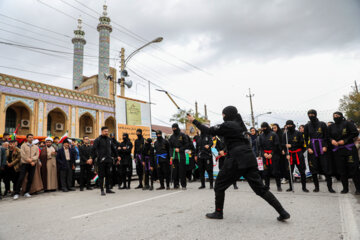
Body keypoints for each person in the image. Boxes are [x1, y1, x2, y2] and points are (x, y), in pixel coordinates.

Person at [187, 106, 290, 221]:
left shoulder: (229, 125)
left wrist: (194, 121)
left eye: (223, 115)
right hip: (249, 159)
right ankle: (283, 212)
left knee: (219, 185)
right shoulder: (240, 124)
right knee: (261, 189)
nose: (223, 117)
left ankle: (218, 212)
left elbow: (209, 130)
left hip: (236, 160)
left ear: (227, 115)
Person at [328, 112, 360, 194]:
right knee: (341, 170)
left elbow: (355, 133)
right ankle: (345, 188)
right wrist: (332, 140)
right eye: (334, 116)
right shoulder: (331, 126)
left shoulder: (348, 124)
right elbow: (327, 136)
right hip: (338, 151)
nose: (336, 117)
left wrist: (345, 140)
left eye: (337, 115)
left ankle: (358, 189)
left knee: (354, 169)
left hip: (349, 149)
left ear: (341, 116)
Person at [304, 109, 335, 193]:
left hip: (322, 147)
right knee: (314, 169)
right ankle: (316, 187)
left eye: (312, 114)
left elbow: (327, 136)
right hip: (312, 149)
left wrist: (325, 146)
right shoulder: (307, 125)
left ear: (315, 114)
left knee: (326, 168)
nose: (311, 115)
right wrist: (308, 148)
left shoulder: (322, 124)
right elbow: (306, 138)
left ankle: (330, 187)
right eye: (309, 114)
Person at [92, 126, 119, 196]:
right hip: (101, 161)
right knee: (101, 176)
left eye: (107, 131)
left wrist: (117, 156)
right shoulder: (98, 140)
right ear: (102, 131)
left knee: (108, 175)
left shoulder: (109, 140)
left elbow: (113, 148)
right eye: (105, 131)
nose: (106, 132)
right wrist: (93, 158)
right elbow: (93, 149)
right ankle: (102, 190)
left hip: (109, 160)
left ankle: (108, 189)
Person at [282, 120, 309, 192]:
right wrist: (287, 153)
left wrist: (293, 146)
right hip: (289, 155)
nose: (289, 126)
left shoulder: (298, 133)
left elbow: (302, 144)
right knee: (289, 172)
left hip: (298, 154)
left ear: (293, 125)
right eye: (287, 125)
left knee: (302, 171)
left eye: (290, 125)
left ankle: (304, 187)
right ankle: (291, 187)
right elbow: (283, 145)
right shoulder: (285, 134)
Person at [13, 134, 39, 200]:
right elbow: (23, 155)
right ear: (27, 138)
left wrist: (33, 160)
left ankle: (27, 192)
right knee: (21, 178)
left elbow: (37, 155)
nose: (31, 138)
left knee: (30, 178)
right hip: (25, 163)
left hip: (33, 164)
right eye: (29, 137)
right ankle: (16, 193)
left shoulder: (35, 146)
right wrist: (29, 160)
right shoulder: (23, 145)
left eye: (32, 137)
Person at [258, 122, 282, 191]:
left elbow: (276, 145)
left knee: (276, 171)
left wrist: (271, 154)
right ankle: (266, 186)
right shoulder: (261, 136)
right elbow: (260, 147)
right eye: (262, 128)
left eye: (265, 127)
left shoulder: (273, 134)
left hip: (273, 155)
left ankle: (278, 186)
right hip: (265, 155)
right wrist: (264, 153)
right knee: (265, 172)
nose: (263, 129)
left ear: (267, 127)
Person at [169, 123, 189, 190]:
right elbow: (170, 147)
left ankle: (183, 185)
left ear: (177, 128)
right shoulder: (171, 137)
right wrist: (171, 155)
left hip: (181, 155)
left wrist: (180, 149)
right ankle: (176, 184)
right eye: (173, 128)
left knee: (182, 171)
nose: (174, 129)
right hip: (174, 156)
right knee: (175, 171)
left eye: (175, 128)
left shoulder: (182, 135)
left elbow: (187, 144)